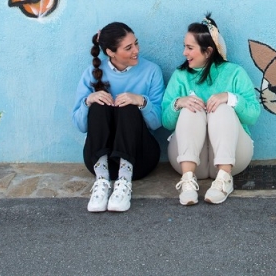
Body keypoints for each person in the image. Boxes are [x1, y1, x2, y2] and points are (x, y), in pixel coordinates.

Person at [162, 15, 260, 205]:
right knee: (191, 106)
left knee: (222, 108)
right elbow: (165, 122)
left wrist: (230, 98)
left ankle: (224, 180)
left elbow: (253, 115)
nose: (184, 53)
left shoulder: (234, 73)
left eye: (190, 48)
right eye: (184, 46)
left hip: (233, 158)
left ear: (207, 51)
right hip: (187, 160)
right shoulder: (180, 76)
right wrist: (179, 103)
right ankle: (188, 181)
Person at [72, 22, 165, 213]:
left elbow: (157, 123)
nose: (136, 51)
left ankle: (124, 183)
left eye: (136, 44)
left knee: (128, 106)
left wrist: (141, 101)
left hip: (139, 159)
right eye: (128, 48)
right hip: (99, 160)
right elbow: (80, 125)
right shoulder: (92, 72)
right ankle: (102, 183)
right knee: (98, 103)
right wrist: (88, 101)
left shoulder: (151, 71)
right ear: (110, 52)